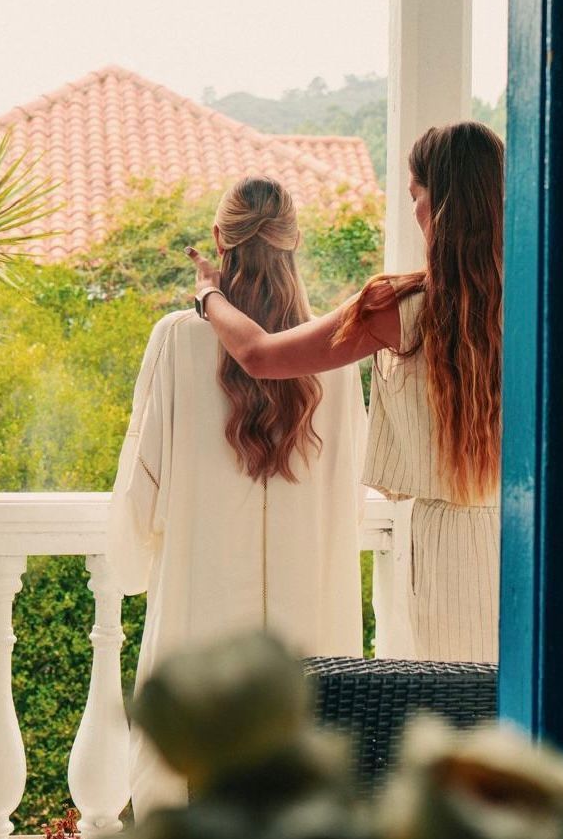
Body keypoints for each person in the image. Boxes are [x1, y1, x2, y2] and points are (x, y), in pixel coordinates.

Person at [187, 122, 503, 667]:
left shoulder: (398, 308)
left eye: (414, 195)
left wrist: (210, 293)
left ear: (438, 205)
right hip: (524, 539)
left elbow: (261, 355)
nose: (414, 211)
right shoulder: (537, 301)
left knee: (452, 711)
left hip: (441, 548)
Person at [107, 177, 367, 819]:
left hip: (200, 606)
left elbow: (141, 485)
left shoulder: (177, 338)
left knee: (189, 801)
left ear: (220, 240)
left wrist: (134, 565)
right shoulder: (338, 349)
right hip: (310, 613)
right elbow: (349, 496)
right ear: (295, 241)